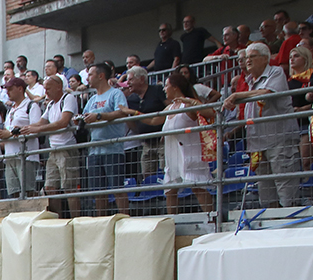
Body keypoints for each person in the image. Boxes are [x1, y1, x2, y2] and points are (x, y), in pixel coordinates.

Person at [223, 42, 300, 208]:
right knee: (265, 189)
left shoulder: (276, 72)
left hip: (279, 139)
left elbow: (267, 93)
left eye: (252, 56)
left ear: (265, 59)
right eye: (245, 58)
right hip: (257, 143)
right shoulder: (249, 81)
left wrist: (238, 94)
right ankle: (271, 222)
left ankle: (289, 220)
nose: (247, 60)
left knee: (285, 184)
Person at [140, 71, 215, 214]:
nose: (164, 89)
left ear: (175, 87)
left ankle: (211, 219)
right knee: (170, 190)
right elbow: (153, 120)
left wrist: (192, 102)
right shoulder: (169, 108)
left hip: (189, 152)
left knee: (197, 187)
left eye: (166, 86)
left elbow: (210, 112)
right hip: (172, 154)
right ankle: (173, 222)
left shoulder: (188, 105)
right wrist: (132, 113)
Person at [26, 74, 83, 217]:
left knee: (70, 187)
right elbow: (40, 122)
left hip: (67, 148)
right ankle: (58, 218)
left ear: (59, 87)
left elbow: (63, 122)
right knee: (50, 187)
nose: (46, 92)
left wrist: (38, 130)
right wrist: (22, 128)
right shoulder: (50, 104)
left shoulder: (68, 99)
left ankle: (75, 218)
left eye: (49, 88)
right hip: (53, 150)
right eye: (44, 89)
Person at [81, 63, 130, 215]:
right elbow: (85, 116)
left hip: (113, 148)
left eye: (90, 74)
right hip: (94, 150)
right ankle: (101, 221)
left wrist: (100, 116)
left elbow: (122, 112)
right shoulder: (92, 99)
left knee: (117, 188)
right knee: (98, 191)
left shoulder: (116, 94)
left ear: (101, 76)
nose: (88, 78)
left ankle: (125, 218)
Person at [0, 77, 41, 198]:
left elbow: (35, 129)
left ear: (20, 89)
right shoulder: (11, 110)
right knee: (13, 191)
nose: (7, 92)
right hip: (10, 155)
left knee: (28, 191)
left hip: (26, 155)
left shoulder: (31, 105)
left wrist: (10, 134)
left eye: (10, 89)